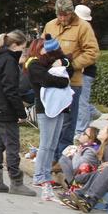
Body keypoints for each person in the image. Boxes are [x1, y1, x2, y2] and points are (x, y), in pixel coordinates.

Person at [43, 0, 100, 155]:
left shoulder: (83, 27)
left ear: (71, 13)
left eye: (66, 14)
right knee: (52, 117)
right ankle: (51, 153)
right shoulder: (50, 25)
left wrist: (71, 65)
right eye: (59, 14)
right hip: (52, 80)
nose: (62, 18)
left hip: (72, 81)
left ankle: (62, 154)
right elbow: (42, 47)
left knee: (68, 121)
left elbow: (92, 52)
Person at [0, 29, 34, 196]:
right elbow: (11, 89)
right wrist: (21, 112)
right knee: (12, 145)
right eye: (23, 48)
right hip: (5, 107)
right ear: (15, 45)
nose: (23, 52)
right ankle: (16, 182)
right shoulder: (9, 62)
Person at [26, 35, 72, 201]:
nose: (48, 51)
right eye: (45, 48)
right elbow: (48, 80)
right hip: (45, 108)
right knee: (46, 143)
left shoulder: (55, 60)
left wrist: (62, 64)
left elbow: (70, 68)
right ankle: (39, 176)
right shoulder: (34, 64)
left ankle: (46, 174)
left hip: (60, 106)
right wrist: (62, 79)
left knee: (53, 143)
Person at [73, 4, 102, 136]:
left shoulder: (86, 30)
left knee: (81, 102)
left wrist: (81, 66)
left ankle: (81, 131)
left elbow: (90, 53)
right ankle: (92, 112)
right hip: (77, 71)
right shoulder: (79, 28)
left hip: (85, 71)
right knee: (77, 101)